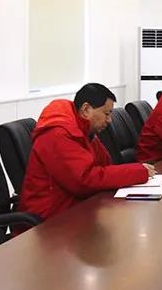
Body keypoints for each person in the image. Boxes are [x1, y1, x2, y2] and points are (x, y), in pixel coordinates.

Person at [19, 83, 154, 222]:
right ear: (86, 109)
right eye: (106, 114)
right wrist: (138, 172)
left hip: (77, 208)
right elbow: (85, 180)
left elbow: (105, 165)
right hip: (50, 220)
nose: (109, 120)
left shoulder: (83, 130)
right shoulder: (57, 134)